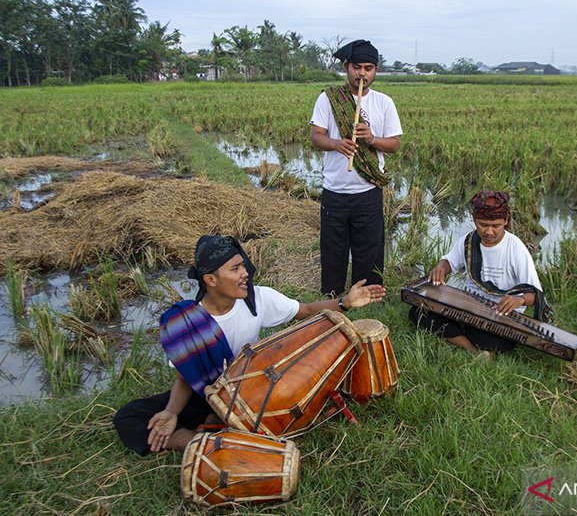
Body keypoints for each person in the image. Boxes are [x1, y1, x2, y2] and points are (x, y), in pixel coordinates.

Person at [113, 235, 385, 455]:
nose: (245, 273)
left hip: (251, 394)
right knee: (128, 417)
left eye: (243, 265)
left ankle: (215, 434)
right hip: (208, 394)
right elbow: (186, 378)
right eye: (235, 269)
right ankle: (194, 440)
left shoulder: (257, 299)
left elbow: (306, 309)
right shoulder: (189, 321)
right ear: (210, 280)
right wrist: (171, 413)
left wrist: (345, 303)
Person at [310, 39, 403, 296]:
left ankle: (369, 298)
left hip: (368, 191)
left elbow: (394, 144)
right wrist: (336, 144)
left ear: (375, 71)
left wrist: (371, 138)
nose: (362, 73)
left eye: (369, 68)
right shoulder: (328, 99)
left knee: (369, 251)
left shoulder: (384, 103)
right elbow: (316, 136)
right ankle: (332, 300)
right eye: (357, 67)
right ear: (347, 67)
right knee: (333, 250)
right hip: (335, 192)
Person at [409, 191, 551, 358]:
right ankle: (474, 351)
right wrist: (440, 268)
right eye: (483, 224)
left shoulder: (516, 248)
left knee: (499, 339)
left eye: (496, 226)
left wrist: (519, 300)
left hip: (500, 315)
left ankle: (467, 339)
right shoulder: (469, 241)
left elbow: (535, 294)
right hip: (468, 308)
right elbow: (449, 262)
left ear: (506, 221)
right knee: (418, 312)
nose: (489, 232)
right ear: (474, 220)